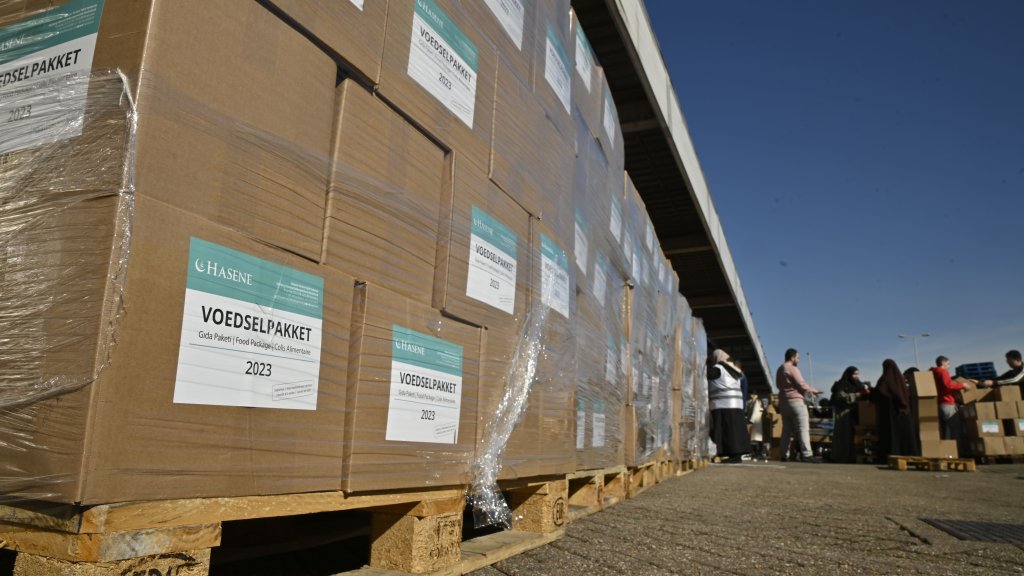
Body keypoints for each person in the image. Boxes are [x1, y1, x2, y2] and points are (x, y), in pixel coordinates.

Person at [775, 348, 822, 463]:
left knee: (786, 430)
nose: (798, 360)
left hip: (783, 402)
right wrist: (814, 390)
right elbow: (801, 384)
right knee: (803, 428)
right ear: (792, 358)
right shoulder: (792, 368)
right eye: (798, 357)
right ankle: (807, 454)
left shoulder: (779, 369)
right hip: (796, 402)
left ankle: (783, 454)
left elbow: (777, 385)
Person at [707, 349, 751, 463]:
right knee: (734, 431)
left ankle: (733, 456)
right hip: (736, 404)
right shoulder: (734, 370)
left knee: (726, 431)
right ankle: (735, 455)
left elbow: (705, 376)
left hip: (723, 403)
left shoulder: (718, 369)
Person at [875, 359, 917, 459]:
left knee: (891, 435)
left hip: (889, 412)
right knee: (905, 435)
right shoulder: (900, 380)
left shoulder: (884, 380)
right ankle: (909, 455)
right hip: (903, 412)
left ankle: (891, 455)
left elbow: (878, 393)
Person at [830, 366, 868, 463]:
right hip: (843, 413)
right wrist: (856, 395)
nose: (856, 376)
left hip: (855, 413)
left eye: (857, 374)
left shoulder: (858, 384)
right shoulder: (842, 384)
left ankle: (853, 457)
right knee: (843, 435)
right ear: (849, 374)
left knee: (854, 436)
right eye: (854, 374)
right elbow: (840, 396)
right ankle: (841, 457)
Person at [931, 356, 972, 441]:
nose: (949, 366)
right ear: (943, 363)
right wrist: (963, 385)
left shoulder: (933, 372)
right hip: (947, 402)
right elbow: (948, 385)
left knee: (947, 429)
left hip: (939, 403)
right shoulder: (943, 372)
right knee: (955, 428)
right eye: (948, 364)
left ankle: (948, 447)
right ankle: (955, 447)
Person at [746, 391, 768, 461]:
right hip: (755, 422)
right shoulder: (751, 402)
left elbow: (755, 412)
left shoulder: (757, 402)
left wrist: (750, 421)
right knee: (756, 439)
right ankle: (757, 453)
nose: (751, 395)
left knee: (757, 439)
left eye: (753, 394)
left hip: (756, 422)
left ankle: (758, 453)